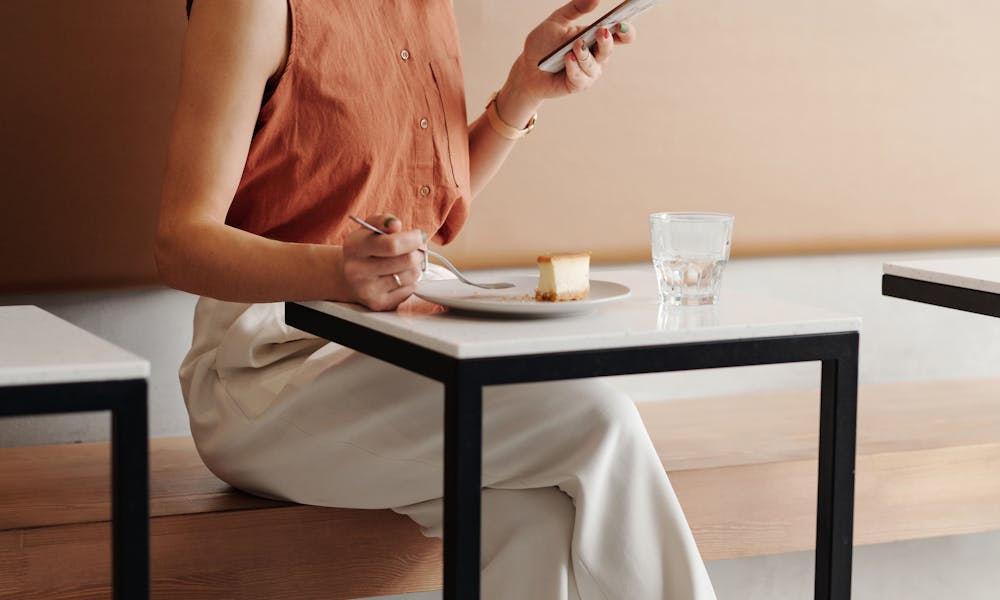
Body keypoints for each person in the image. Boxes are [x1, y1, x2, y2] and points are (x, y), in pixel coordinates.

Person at [156, 1, 716, 598]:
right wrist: (337, 273)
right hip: (263, 372)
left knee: (532, 523)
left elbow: (426, 213)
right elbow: (179, 243)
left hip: (399, 355)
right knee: (599, 421)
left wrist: (521, 93)